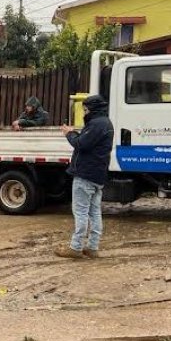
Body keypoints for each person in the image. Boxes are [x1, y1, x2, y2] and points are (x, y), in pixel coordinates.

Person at [56, 94, 114, 259]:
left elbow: (81, 144)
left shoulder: (96, 124)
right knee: (94, 212)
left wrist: (69, 133)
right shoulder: (106, 123)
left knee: (80, 212)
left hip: (85, 175)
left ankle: (75, 247)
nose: (84, 112)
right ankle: (92, 247)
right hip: (98, 176)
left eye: (86, 109)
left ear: (93, 109)